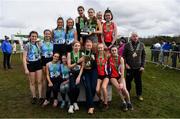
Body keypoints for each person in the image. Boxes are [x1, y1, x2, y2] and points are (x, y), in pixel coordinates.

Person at [123, 32, 146, 101]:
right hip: (129, 67)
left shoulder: (141, 45)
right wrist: (125, 64)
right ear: (131, 37)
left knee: (138, 82)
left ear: (138, 37)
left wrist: (142, 66)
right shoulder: (127, 45)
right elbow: (123, 56)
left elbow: (144, 56)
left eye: (136, 36)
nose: (135, 37)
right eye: (133, 36)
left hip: (138, 68)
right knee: (128, 82)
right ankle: (127, 94)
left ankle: (139, 95)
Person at [109, 46, 133, 111]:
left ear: (117, 51)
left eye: (115, 50)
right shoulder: (109, 58)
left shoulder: (121, 58)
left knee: (124, 89)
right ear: (110, 51)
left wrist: (121, 82)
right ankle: (124, 102)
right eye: (112, 50)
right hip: (112, 77)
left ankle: (129, 102)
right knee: (118, 89)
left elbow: (122, 72)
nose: (113, 52)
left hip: (120, 76)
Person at [23, 31, 43, 104]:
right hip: (30, 64)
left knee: (39, 81)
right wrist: (26, 69)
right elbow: (24, 58)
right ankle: (34, 97)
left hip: (38, 63)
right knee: (32, 82)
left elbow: (40, 53)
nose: (34, 37)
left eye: (35, 36)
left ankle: (40, 97)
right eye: (32, 36)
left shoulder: (38, 45)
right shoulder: (27, 45)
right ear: (30, 37)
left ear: (37, 37)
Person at [67, 41, 84, 114]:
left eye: (78, 46)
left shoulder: (82, 54)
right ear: (73, 46)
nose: (77, 47)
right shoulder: (69, 54)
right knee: (72, 87)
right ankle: (71, 105)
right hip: (72, 73)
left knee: (77, 88)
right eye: (75, 46)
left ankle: (75, 102)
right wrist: (77, 62)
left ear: (80, 47)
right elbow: (69, 66)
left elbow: (83, 66)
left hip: (79, 74)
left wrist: (79, 76)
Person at [82, 39, 97, 114]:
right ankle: (91, 106)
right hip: (85, 72)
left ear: (91, 46)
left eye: (90, 45)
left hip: (93, 71)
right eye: (87, 44)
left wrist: (93, 59)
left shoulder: (94, 53)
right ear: (85, 46)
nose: (88, 46)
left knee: (93, 87)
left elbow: (96, 65)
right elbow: (80, 63)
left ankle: (88, 102)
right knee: (88, 87)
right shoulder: (81, 53)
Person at [40, 29, 54, 99]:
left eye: (49, 34)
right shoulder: (41, 43)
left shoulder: (53, 43)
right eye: (46, 34)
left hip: (51, 60)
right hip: (44, 61)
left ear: (51, 35)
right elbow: (37, 52)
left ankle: (51, 94)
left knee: (51, 77)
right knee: (44, 78)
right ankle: (44, 95)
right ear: (44, 34)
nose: (47, 35)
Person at [96, 43, 109, 111]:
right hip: (99, 75)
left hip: (106, 75)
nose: (100, 49)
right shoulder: (96, 55)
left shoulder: (107, 55)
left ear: (103, 48)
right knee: (97, 90)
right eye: (99, 48)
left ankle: (106, 104)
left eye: (101, 48)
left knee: (103, 87)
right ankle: (101, 99)